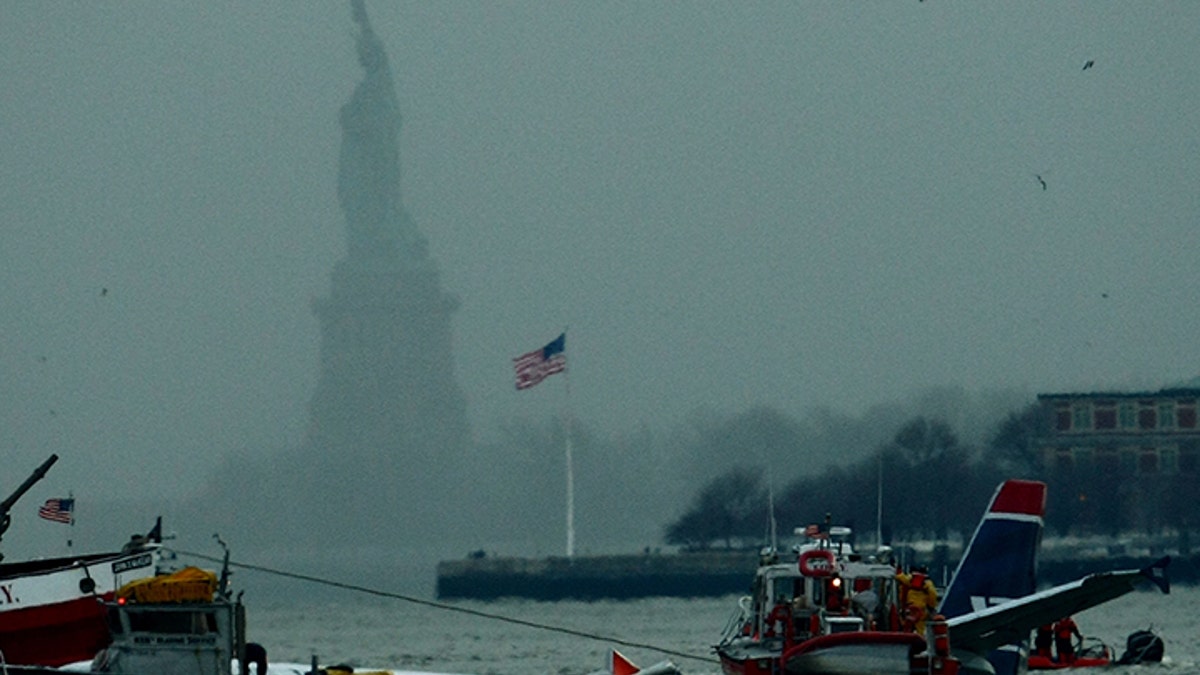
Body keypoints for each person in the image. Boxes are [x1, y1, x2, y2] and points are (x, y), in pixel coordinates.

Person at [896, 566, 938, 635]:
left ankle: (905, 637)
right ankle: (920, 640)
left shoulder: (910, 579)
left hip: (910, 606)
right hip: (921, 609)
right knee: (920, 628)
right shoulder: (928, 583)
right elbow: (932, 594)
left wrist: (897, 572)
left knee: (906, 625)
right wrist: (931, 606)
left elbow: (901, 578)